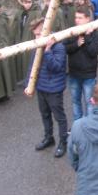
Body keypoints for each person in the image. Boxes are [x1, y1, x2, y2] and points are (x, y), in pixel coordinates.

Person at [26, 18, 68, 158]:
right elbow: (33, 67)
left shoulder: (59, 47)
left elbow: (56, 67)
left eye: (39, 34)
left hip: (54, 88)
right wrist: (29, 85)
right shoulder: (37, 46)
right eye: (35, 35)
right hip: (41, 87)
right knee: (44, 114)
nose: (36, 38)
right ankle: (49, 138)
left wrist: (48, 50)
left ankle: (63, 142)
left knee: (59, 117)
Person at [64, 7, 98, 121]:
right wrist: (77, 44)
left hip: (88, 75)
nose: (77, 20)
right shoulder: (72, 32)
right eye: (76, 17)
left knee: (90, 102)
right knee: (76, 102)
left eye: (80, 18)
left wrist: (88, 37)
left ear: (87, 19)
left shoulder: (95, 33)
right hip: (74, 74)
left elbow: (93, 52)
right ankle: (78, 126)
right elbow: (65, 49)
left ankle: (89, 126)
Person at [11, 0, 40, 85]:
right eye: (24, 2)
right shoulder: (19, 13)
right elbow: (14, 26)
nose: (27, 5)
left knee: (30, 60)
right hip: (20, 38)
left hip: (31, 39)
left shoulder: (36, 12)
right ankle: (23, 78)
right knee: (21, 59)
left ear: (32, 2)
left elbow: (39, 27)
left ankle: (32, 80)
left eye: (29, 2)